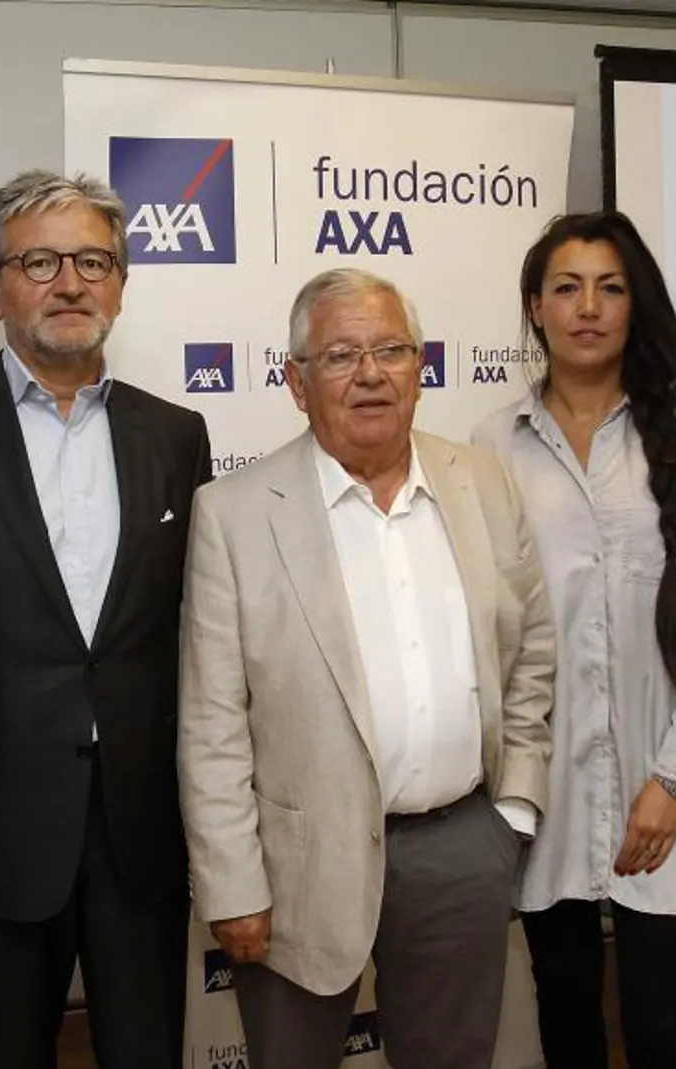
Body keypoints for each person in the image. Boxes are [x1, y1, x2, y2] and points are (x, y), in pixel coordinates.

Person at [178, 267, 555, 1069]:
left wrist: (514, 809)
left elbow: (532, 656)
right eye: (342, 354)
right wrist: (234, 885)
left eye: (391, 349)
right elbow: (211, 724)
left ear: (420, 366)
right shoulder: (235, 513)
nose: (371, 373)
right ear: (296, 382)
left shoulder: (481, 481)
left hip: (460, 845)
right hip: (295, 870)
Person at [0, 170, 211, 1069]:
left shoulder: (175, 434)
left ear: (121, 283)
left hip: (141, 828)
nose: (70, 282)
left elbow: (192, 629)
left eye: (92, 259)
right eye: (39, 260)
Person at [471, 210, 676, 1069]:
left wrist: (675, 781)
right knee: (568, 1023)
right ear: (536, 307)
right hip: (545, 790)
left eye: (611, 286)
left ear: (636, 306)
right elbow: (495, 626)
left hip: (663, 782)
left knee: (665, 1033)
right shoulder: (492, 445)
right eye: (567, 287)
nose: (588, 306)